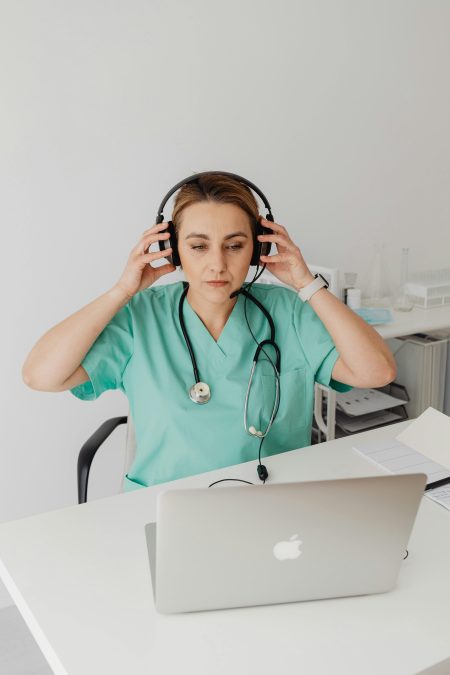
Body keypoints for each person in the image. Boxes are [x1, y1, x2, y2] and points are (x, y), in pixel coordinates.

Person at [22, 173, 397, 491]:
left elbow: (376, 371)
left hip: (272, 506)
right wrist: (122, 291)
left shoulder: (286, 311)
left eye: (234, 246)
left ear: (257, 249)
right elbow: (40, 375)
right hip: (162, 509)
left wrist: (307, 284)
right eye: (198, 246)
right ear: (173, 250)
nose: (217, 264)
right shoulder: (139, 317)